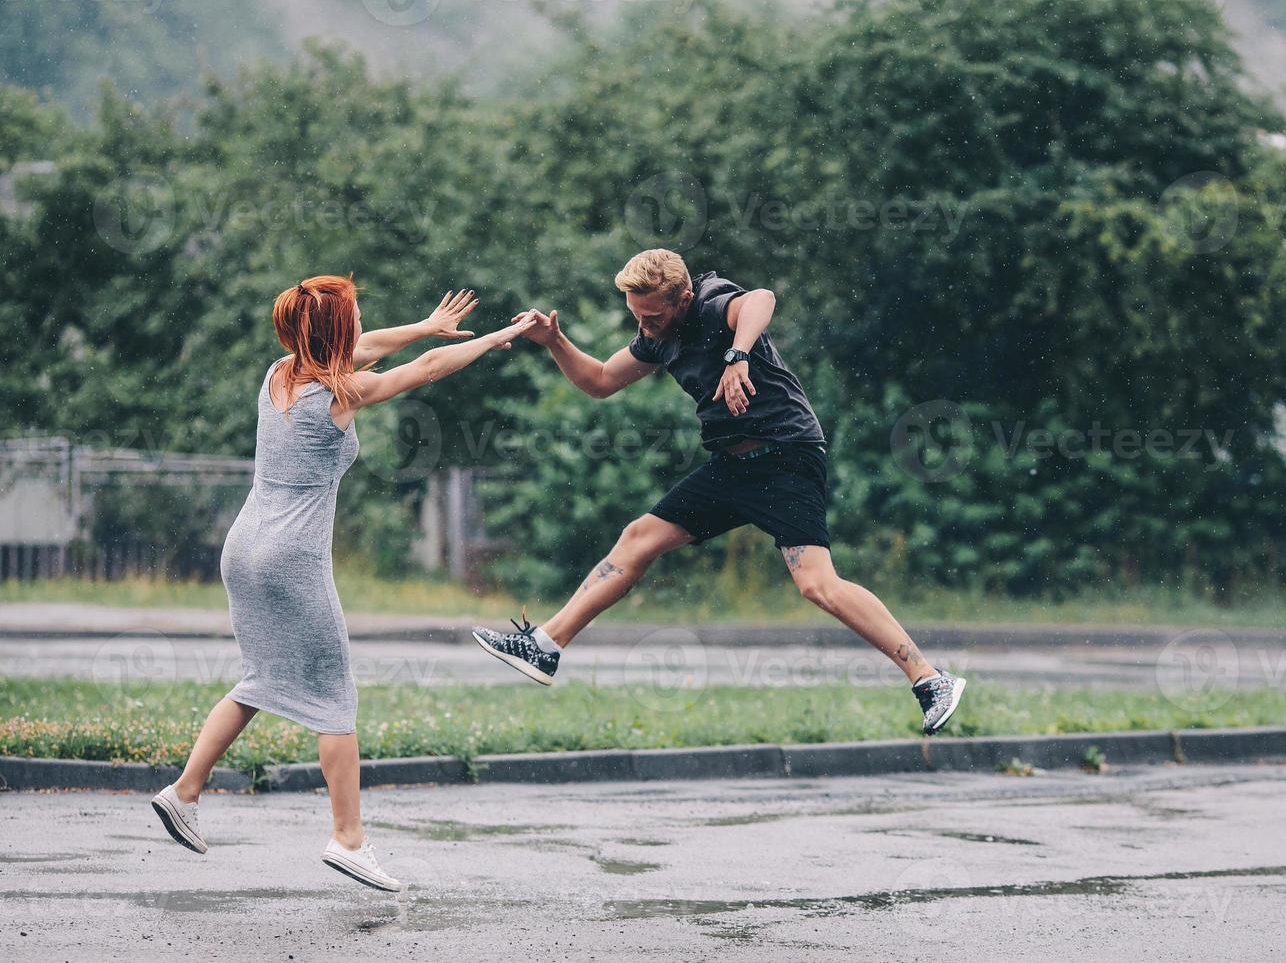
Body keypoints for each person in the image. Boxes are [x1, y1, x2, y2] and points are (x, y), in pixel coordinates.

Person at [472, 249, 966, 734]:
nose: (644, 325)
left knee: (817, 585)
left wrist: (738, 354)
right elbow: (599, 381)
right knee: (639, 537)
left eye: (653, 315)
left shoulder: (711, 302)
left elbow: (761, 299)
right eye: (636, 315)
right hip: (731, 466)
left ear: (683, 298)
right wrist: (555, 340)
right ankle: (546, 646)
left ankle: (930, 679)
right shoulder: (658, 337)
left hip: (786, 456)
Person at [151, 277, 532, 891]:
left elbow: (377, 347)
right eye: (353, 319)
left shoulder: (281, 373)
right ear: (336, 333)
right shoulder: (339, 393)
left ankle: (184, 791)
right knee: (334, 699)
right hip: (290, 555)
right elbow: (428, 370)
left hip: (243, 546)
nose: (361, 328)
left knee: (261, 677)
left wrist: (424, 325)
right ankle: (349, 839)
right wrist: (500, 336)